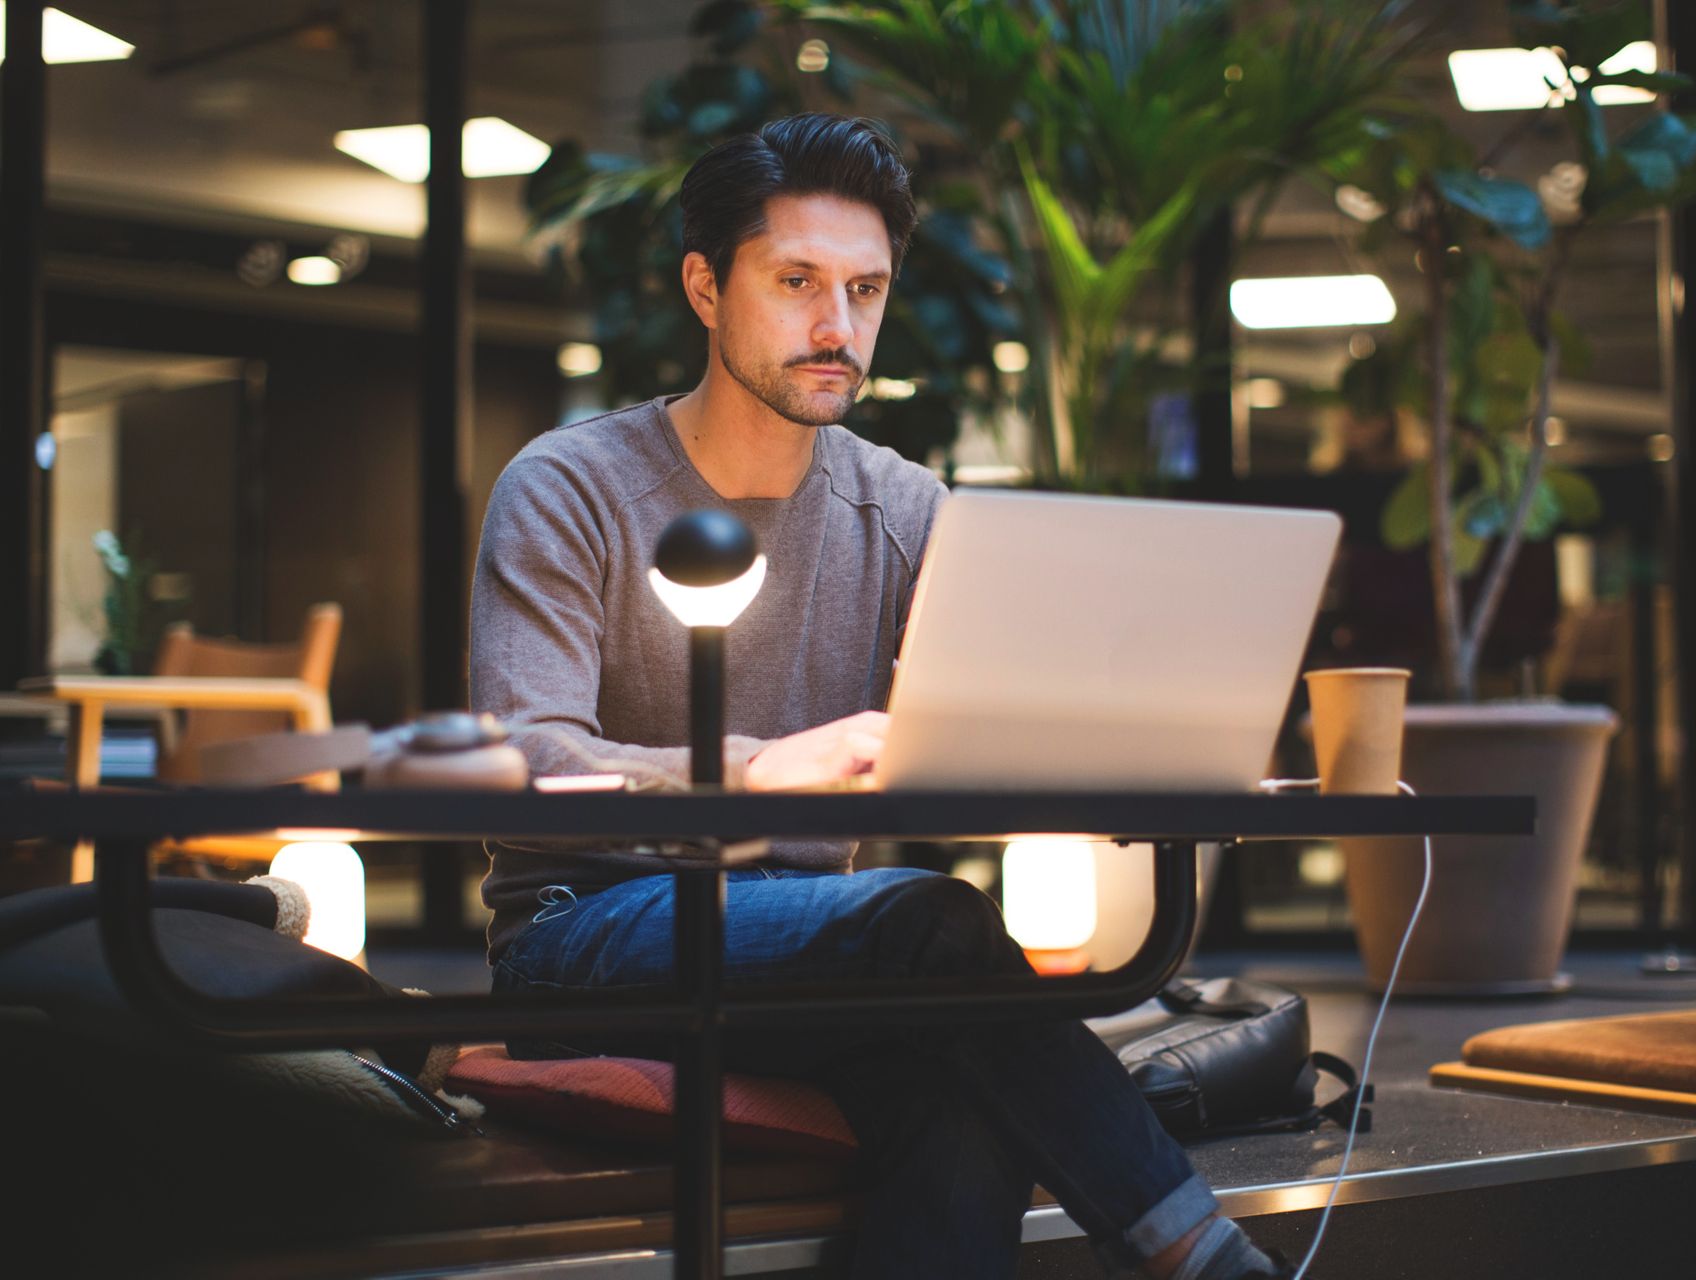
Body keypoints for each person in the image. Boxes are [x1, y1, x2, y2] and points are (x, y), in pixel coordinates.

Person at [469, 115, 1289, 1280]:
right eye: (797, 281)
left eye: (865, 289)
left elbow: (1004, 705)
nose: (835, 325)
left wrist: (1147, 740)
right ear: (705, 286)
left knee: (964, 1119)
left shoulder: (902, 506)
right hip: (585, 935)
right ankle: (1202, 1254)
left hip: (817, 950)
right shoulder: (570, 486)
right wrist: (753, 769)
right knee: (930, 918)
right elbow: (522, 761)